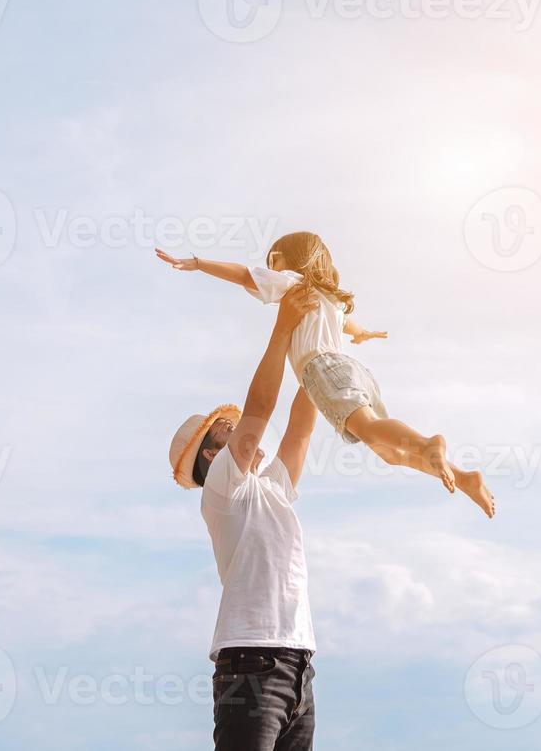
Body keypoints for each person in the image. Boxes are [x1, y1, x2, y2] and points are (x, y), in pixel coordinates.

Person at [157, 231, 496, 518]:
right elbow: (349, 328)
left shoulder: (291, 285)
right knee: (387, 449)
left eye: (270, 263)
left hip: (324, 370)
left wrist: (200, 264)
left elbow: (245, 275)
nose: (267, 270)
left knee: (370, 430)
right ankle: (461, 476)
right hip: (351, 370)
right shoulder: (328, 298)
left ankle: (428, 444)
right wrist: (362, 334)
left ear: (280, 261)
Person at [168, 286, 324, 750]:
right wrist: (281, 326)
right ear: (212, 455)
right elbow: (260, 410)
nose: (241, 428)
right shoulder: (222, 488)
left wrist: (321, 345)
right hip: (250, 663)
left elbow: (300, 425)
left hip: (299, 666)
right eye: (227, 430)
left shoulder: (271, 489)